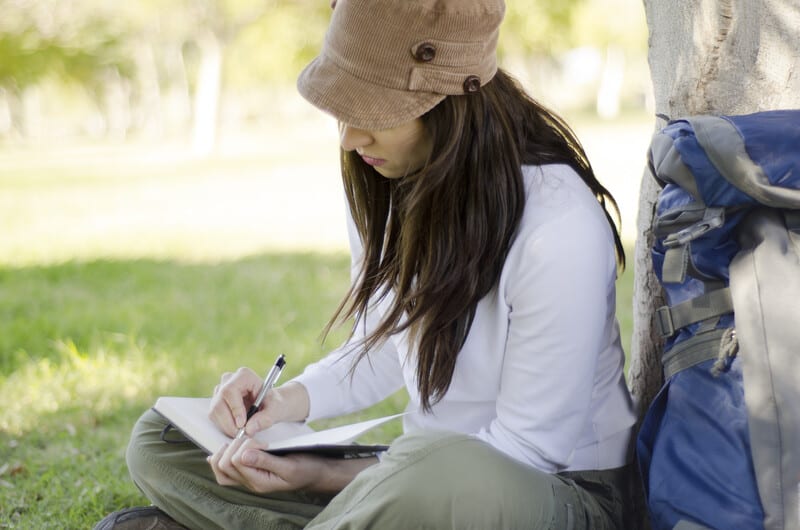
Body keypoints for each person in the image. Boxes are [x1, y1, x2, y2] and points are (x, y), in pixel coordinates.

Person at [94, 0, 637, 528]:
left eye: (372, 114)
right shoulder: (393, 178)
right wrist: (283, 403)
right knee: (159, 439)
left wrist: (322, 474)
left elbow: (527, 451)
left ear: (450, 104)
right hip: (418, 475)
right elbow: (383, 345)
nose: (351, 140)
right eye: (343, 113)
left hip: (551, 491)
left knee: (435, 477)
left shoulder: (558, 226)